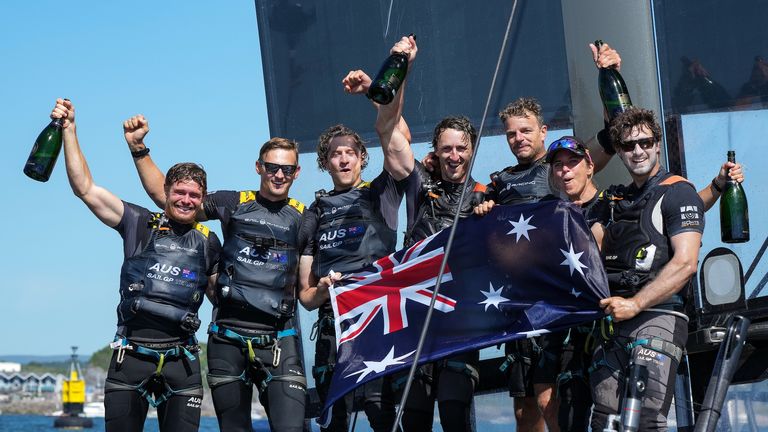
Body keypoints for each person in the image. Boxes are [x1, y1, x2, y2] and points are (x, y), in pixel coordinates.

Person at [545, 136, 743, 431]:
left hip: (624, 315)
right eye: (558, 166)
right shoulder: (549, 214)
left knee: (645, 418)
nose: (565, 171)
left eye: (572, 162)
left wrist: (716, 187)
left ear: (590, 166)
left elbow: (677, 207)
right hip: (590, 326)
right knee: (601, 421)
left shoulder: (609, 201)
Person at [123, 118, 307, 431]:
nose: (279, 174)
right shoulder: (231, 203)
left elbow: (310, 284)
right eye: (272, 167)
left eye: (287, 169)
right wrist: (139, 150)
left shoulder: (307, 217)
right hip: (227, 338)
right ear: (258, 167)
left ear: (296, 172)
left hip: (279, 338)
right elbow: (168, 199)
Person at [53, 98, 221, 432]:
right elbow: (84, 188)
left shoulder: (208, 242)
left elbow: (222, 300)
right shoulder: (139, 223)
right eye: (180, 192)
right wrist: (69, 130)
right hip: (130, 357)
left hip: (182, 363)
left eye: (194, 195)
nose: (186, 200)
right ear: (167, 191)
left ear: (202, 200)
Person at [298, 35, 420, 432]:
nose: (344, 157)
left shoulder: (382, 189)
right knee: (332, 419)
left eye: (351, 151)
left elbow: (393, 131)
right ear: (325, 162)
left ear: (362, 158)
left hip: (378, 316)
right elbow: (306, 295)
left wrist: (395, 70)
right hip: (334, 323)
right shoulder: (313, 211)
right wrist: (322, 289)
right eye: (336, 153)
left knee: (383, 414)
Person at [589, 107, 704, 431]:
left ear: (657, 145)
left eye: (645, 142)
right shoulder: (613, 200)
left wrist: (636, 304)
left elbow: (685, 263)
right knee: (605, 419)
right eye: (627, 145)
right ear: (618, 151)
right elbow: (571, 173)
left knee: (646, 419)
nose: (637, 150)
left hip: (658, 316)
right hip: (612, 321)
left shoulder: (679, 192)